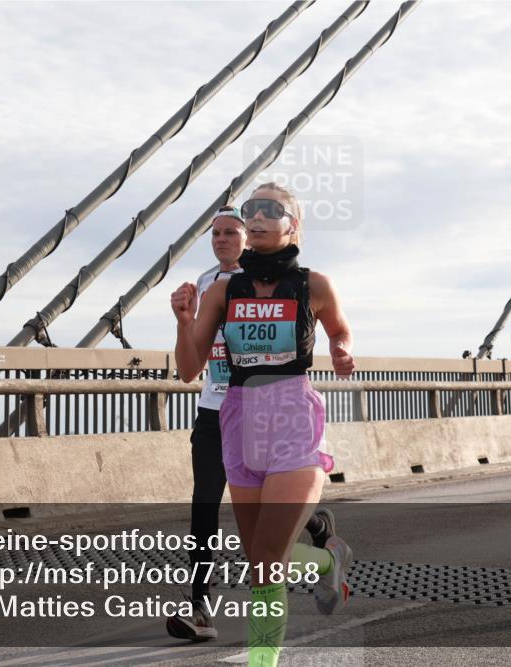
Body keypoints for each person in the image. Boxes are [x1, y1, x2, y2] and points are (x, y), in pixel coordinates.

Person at [171, 184, 354, 666]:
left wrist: (340, 348)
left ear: (293, 224)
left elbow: (338, 327)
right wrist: (183, 321)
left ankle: (261, 662)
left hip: (292, 414)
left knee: (269, 562)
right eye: (252, 208)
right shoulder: (223, 290)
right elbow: (189, 369)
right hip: (239, 419)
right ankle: (327, 560)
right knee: (260, 564)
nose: (258, 216)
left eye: (272, 209)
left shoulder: (314, 285)